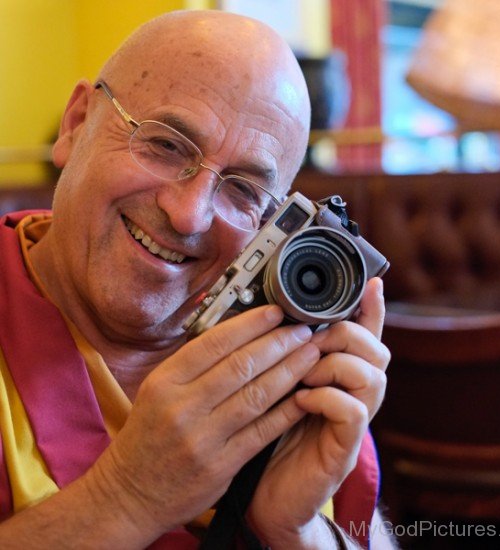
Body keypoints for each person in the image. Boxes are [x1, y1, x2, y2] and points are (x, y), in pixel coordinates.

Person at [0, 9, 392, 549]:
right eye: (165, 145)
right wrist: (128, 496)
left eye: (244, 190)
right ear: (76, 125)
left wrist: (300, 531)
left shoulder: (279, 357)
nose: (189, 214)